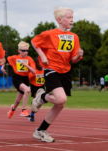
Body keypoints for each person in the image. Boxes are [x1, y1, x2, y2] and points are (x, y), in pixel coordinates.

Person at [31, 6, 84, 142]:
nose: (72, 20)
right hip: (51, 69)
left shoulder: (74, 37)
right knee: (61, 99)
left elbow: (72, 60)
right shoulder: (50, 34)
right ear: (60, 20)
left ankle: (41, 131)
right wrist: (42, 55)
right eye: (69, 17)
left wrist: (78, 56)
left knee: (60, 104)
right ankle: (42, 96)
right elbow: (34, 42)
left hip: (65, 71)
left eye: (73, 17)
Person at [1, 41, 36, 118]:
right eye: (23, 50)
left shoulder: (29, 59)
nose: (25, 52)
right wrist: (2, 67)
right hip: (16, 78)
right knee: (27, 90)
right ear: (19, 50)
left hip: (25, 79)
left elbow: (34, 71)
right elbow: (5, 60)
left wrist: (27, 66)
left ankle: (12, 109)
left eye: (27, 50)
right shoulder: (15, 58)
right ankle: (23, 110)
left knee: (18, 100)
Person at [28, 57, 45, 122]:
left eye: (41, 62)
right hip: (34, 87)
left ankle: (35, 107)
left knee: (42, 100)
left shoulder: (44, 70)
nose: (40, 63)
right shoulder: (33, 71)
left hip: (42, 86)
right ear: (35, 64)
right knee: (36, 100)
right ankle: (32, 115)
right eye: (38, 62)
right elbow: (28, 78)